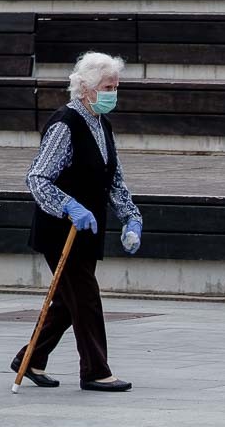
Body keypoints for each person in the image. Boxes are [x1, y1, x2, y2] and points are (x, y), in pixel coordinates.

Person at [11, 51, 143, 393]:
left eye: (116, 86)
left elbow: (113, 180)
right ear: (85, 88)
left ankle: (31, 359)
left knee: (68, 301)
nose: (113, 92)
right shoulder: (64, 124)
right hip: (60, 230)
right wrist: (69, 205)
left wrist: (131, 217)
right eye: (107, 86)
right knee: (84, 297)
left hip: (87, 231)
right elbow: (38, 177)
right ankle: (96, 371)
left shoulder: (102, 124)